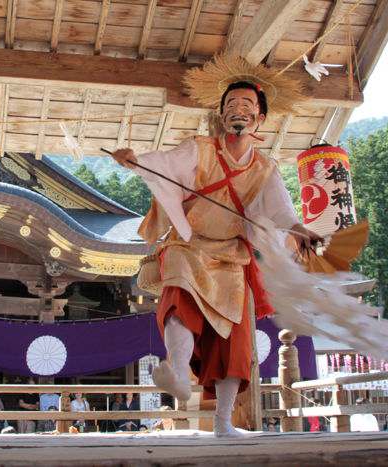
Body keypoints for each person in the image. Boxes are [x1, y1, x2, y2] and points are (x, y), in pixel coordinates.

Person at [109, 78, 319, 437]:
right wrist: (136, 162)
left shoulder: (264, 170)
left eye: (246, 105)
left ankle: (223, 422)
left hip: (230, 257)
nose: (238, 109)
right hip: (188, 244)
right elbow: (167, 164)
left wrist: (299, 229)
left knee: (233, 342)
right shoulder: (200, 149)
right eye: (232, 104)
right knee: (180, 299)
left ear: (260, 117)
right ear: (222, 115)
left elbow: (281, 211)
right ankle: (176, 372)